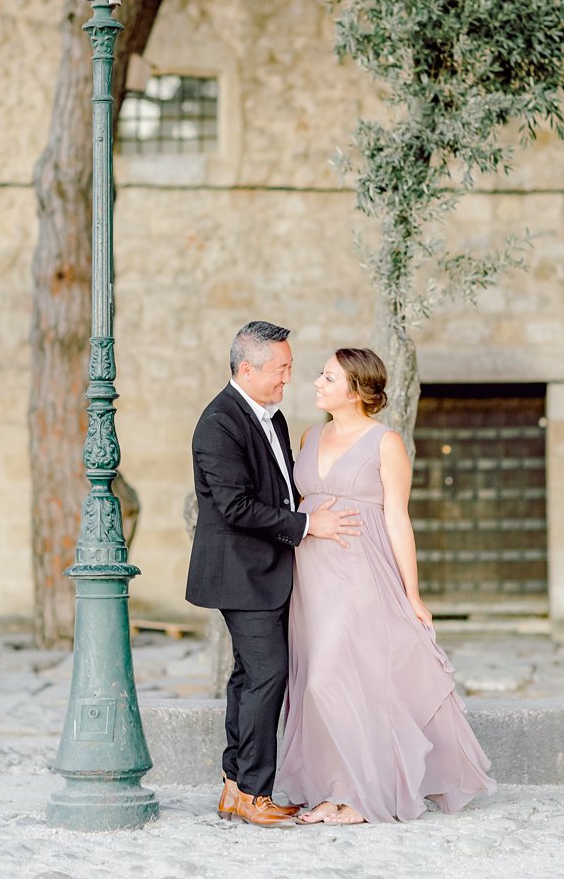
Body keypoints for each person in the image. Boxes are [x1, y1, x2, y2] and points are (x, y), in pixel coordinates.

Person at [276, 348, 496, 824]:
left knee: (330, 679)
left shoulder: (385, 443)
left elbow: (398, 518)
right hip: (310, 578)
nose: (316, 382)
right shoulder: (309, 435)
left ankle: (362, 797)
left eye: (328, 377)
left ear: (355, 390)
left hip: (361, 572)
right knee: (321, 683)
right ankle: (335, 791)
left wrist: (413, 594)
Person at [186, 320, 364, 827]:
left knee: (248, 678)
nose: (288, 378)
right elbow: (236, 507)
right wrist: (308, 525)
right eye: (280, 369)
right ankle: (255, 793)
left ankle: (235, 786)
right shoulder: (219, 423)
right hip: (240, 573)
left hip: (266, 568)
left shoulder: (273, 417)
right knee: (268, 676)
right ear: (247, 368)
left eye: (289, 367)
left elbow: (282, 488)